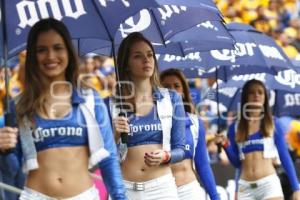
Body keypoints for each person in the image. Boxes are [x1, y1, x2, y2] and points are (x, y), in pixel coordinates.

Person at [0, 18, 126, 200]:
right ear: (33, 57)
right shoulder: (19, 105)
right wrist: (4, 152)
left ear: (68, 51)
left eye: (58, 48)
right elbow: (13, 174)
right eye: (41, 50)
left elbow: (109, 158)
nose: (50, 56)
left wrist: (120, 197)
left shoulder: (90, 99)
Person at [111, 32, 186, 200]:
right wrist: (114, 135)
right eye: (138, 56)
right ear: (126, 64)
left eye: (150, 55)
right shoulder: (111, 104)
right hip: (124, 189)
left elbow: (181, 149)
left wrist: (166, 156)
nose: (147, 60)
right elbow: (102, 157)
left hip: (162, 189)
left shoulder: (172, 98)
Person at [215, 79, 300, 200]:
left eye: (260, 92)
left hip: (269, 186)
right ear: (245, 97)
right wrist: (226, 145)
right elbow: (237, 163)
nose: (256, 95)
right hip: (245, 188)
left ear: (265, 97)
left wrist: (296, 188)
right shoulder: (235, 127)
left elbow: (284, 156)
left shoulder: (273, 123)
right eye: (252, 92)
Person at [160, 68, 219, 200]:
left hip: (190, 191)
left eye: (177, 86)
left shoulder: (195, 122)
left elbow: (202, 164)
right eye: (166, 87)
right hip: (161, 193)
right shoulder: (151, 122)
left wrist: (215, 197)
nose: (172, 90)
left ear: (184, 91)